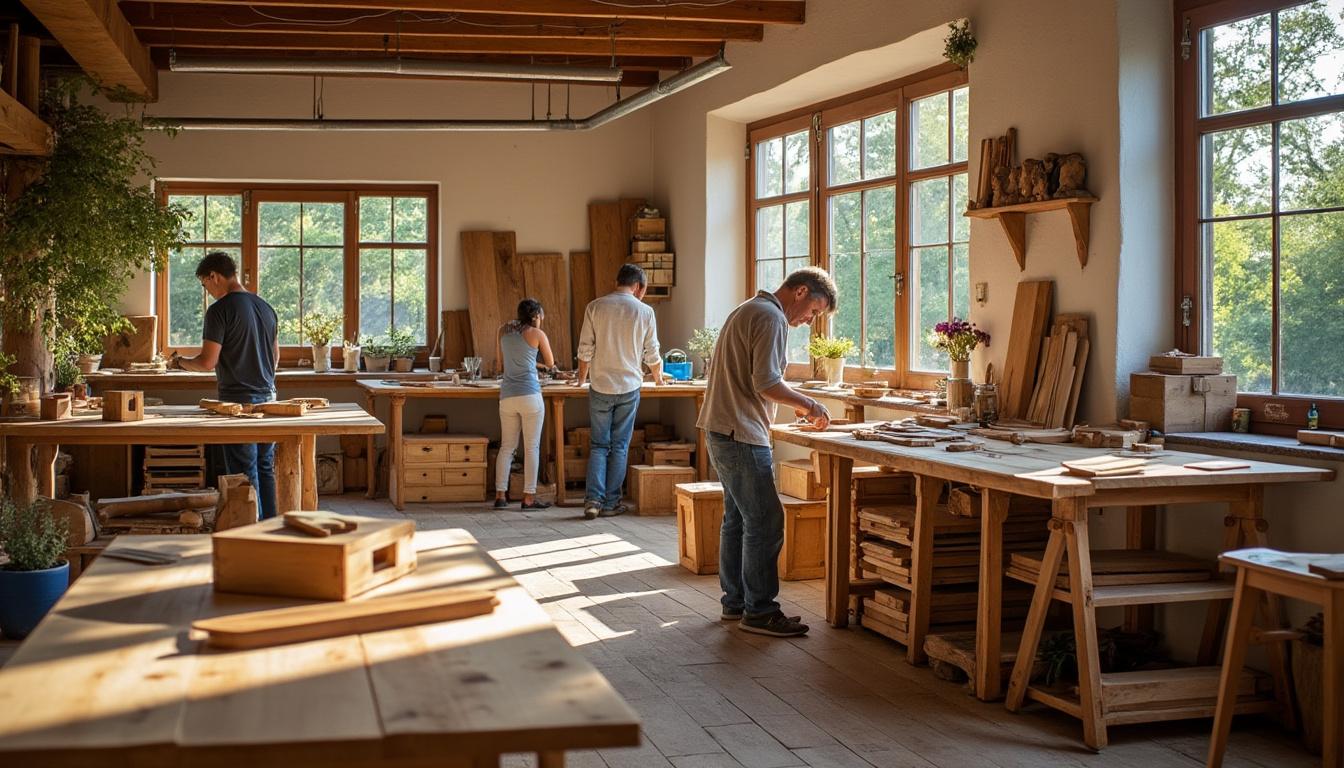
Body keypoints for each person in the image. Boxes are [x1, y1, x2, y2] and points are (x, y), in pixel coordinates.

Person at [697, 266, 837, 637]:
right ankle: (760, 611)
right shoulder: (771, 317)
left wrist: (788, 399)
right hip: (741, 433)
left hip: (722, 427)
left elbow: (756, 378)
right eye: (814, 312)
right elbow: (767, 382)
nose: (809, 321)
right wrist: (810, 405)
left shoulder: (750, 309)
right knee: (766, 521)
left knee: (739, 519)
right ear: (801, 292)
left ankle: (736, 603)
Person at [172, 251, 280, 521]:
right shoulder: (266, 307)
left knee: (244, 472)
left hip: (239, 402)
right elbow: (275, 357)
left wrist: (179, 363)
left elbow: (208, 362)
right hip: (270, 397)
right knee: (265, 467)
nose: (207, 290)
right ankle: (270, 530)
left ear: (214, 276)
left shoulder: (220, 310)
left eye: (204, 284)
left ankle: (251, 535)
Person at [573, 263, 664, 520]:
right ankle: (611, 503)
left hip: (601, 385)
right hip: (629, 387)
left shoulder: (595, 306)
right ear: (638, 286)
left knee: (599, 445)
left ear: (618, 281)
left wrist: (580, 379)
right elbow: (652, 353)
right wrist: (658, 379)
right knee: (620, 446)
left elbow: (585, 350)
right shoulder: (645, 311)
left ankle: (592, 501)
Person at [494, 298, 556, 510]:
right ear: (536, 316)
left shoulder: (503, 332)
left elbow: (501, 364)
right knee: (531, 448)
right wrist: (540, 365)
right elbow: (550, 364)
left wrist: (529, 360)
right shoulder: (538, 335)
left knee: (507, 447)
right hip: (530, 395)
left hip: (508, 396)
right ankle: (528, 498)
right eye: (541, 316)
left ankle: (500, 496)